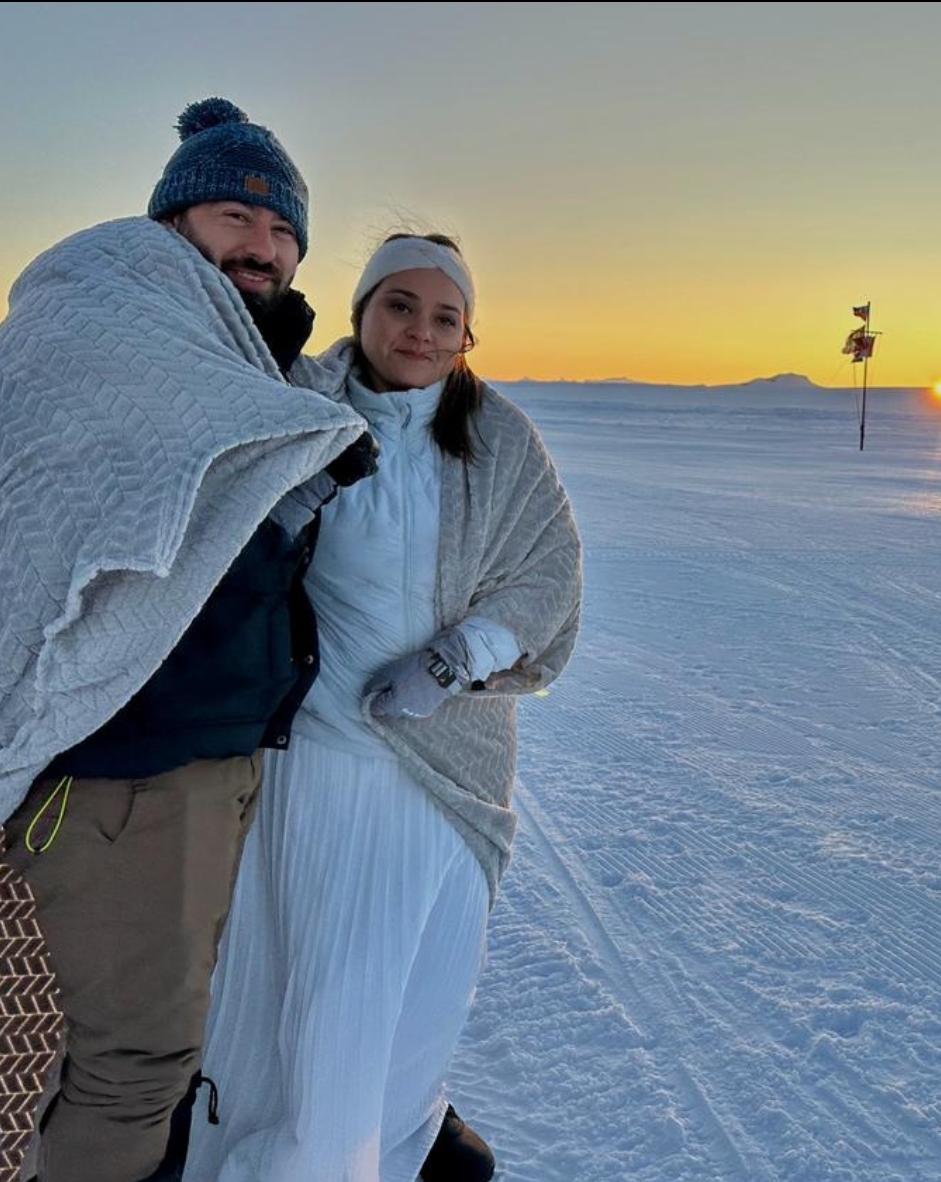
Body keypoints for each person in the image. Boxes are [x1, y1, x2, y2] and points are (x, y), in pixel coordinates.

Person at [0, 98, 373, 1182]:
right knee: (135, 1061)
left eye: (286, 231)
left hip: (209, 754)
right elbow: (87, 529)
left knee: (148, 1036)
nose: (267, 246)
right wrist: (278, 471)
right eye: (238, 215)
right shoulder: (103, 323)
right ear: (174, 221)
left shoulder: (231, 358)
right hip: (136, 768)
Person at [183, 234, 583, 1182]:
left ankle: (379, 1150)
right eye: (400, 304)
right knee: (326, 1003)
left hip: (453, 770)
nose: (421, 329)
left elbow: (550, 572)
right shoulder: (292, 410)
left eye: (446, 316)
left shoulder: (499, 439)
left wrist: (458, 658)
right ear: (361, 310)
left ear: (466, 335)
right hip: (320, 758)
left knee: (419, 1007)